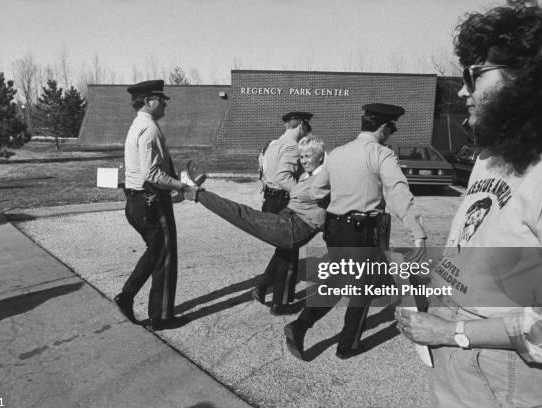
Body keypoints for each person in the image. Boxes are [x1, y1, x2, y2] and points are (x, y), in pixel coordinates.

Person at [395, 2, 542, 408]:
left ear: (529, 79)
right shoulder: (489, 156)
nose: (463, 89)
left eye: (474, 75)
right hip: (456, 352)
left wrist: (455, 332)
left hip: (503, 368)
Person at [284, 103, 427, 360]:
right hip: (362, 231)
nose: (390, 135)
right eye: (390, 130)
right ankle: (347, 345)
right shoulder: (381, 154)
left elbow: (317, 191)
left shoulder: (338, 153)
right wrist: (417, 232)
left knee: (338, 280)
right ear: (384, 127)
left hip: (335, 229)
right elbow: (396, 191)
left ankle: (300, 324)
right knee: (362, 287)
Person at [183, 135, 326, 268]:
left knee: (241, 213)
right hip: (287, 219)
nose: (304, 161)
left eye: (307, 156)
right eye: (301, 157)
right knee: (243, 212)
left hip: (293, 230)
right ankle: (262, 288)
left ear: (320, 157)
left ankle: (196, 192)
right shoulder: (308, 175)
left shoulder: (324, 179)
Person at [114, 79, 189, 331]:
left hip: (138, 201)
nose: (165, 104)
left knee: (155, 252)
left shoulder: (138, 124)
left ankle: (127, 296)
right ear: (149, 101)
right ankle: (161, 317)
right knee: (165, 256)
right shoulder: (150, 129)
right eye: (161, 99)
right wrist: (182, 186)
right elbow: (153, 174)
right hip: (152, 202)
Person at [253, 111, 313, 315]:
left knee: (283, 250)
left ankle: (261, 288)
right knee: (290, 252)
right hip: (283, 199)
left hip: (270, 199)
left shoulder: (273, 143)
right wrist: (304, 193)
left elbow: (264, 171)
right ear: (302, 126)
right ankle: (281, 303)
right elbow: (283, 177)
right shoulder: (292, 146)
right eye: (307, 128)